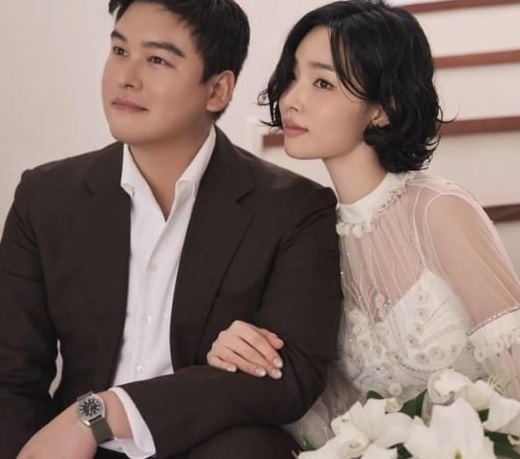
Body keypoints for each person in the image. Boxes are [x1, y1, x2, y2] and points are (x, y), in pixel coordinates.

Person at [206, 0, 520, 457]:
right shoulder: (312, 232)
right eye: (292, 76)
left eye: (322, 82)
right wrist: (234, 350)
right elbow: (321, 405)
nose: (290, 98)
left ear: (383, 109)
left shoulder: (439, 211)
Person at [0, 1, 343, 458]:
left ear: (217, 89)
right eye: (120, 51)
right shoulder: (45, 196)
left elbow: (292, 375)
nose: (126, 77)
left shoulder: (294, 208)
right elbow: (11, 376)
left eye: (157, 59)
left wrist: (101, 412)